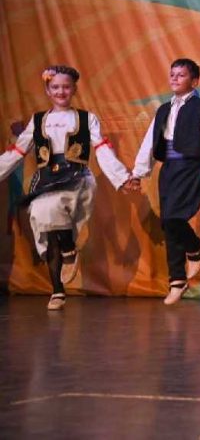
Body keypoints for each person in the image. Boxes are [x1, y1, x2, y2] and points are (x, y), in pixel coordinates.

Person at [0, 65, 132, 310]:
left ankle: (69, 248)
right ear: (48, 91)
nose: (61, 92)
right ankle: (57, 289)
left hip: (76, 179)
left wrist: (121, 177)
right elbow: (17, 152)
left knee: (55, 217)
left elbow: (102, 149)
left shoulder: (86, 118)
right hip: (46, 181)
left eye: (66, 87)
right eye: (55, 87)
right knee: (45, 218)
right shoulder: (38, 120)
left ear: (74, 89)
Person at [126, 58, 200, 305]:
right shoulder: (164, 109)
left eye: (181, 75)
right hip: (169, 169)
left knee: (174, 217)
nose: (175, 78)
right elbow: (150, 142)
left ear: (194, 81)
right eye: (172, 74)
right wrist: (138, 172)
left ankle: (194, 248)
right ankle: (177, 279)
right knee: (168, 221)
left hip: (191, 166)